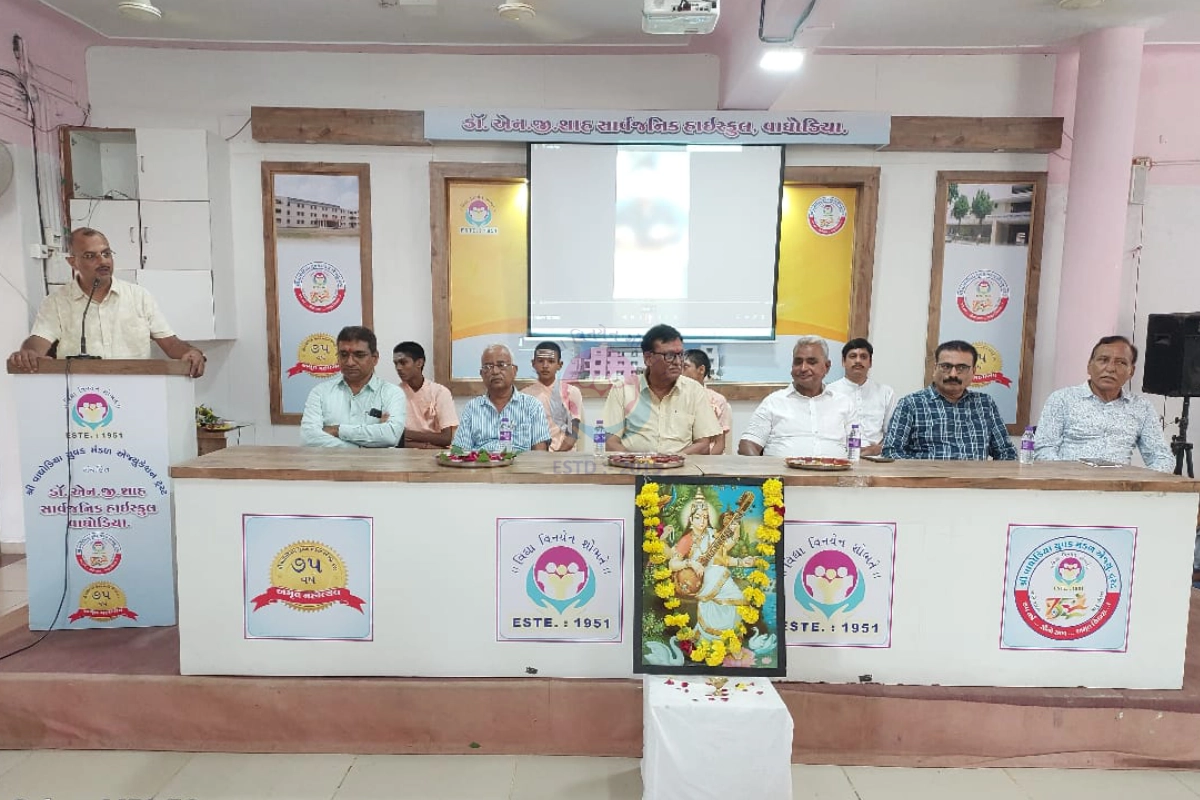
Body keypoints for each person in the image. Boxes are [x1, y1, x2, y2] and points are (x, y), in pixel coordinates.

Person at [6, 227, 206, 377]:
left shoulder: (139, 296)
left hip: (137, 393)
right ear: (73, 262)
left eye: (106, 253)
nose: (103, 261)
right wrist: (28, 353)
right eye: (90, 256)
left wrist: (191, 352)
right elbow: (38, 341)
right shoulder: (57, 302)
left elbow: (171, 344)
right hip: (84, 401)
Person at [1035, 335, 1172, 471]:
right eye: (1103, 360)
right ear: (1089, 366)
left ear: (1131, 372)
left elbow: (1162, 457)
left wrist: (1138, 481)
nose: (1111, 368)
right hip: (1069, 481)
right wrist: (1068, 476)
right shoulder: (1062, 399)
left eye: (1121, 363)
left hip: (1120, 483)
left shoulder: (1141, 407)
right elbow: (1043, 450)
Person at [883, 340, 1016, 461]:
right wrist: (925, 472)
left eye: (961, 368)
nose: (953, 374)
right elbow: (891, 452)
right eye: (946, 366)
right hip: (927, 478)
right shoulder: (911, 404)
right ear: (935, 369)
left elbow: (1006, 452)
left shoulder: (985, 404)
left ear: (974, 371)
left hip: (976, 479)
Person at [603, 324, 721, 454]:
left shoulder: (694, 390)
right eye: (669, 355)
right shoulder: (623, 390)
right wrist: (638, 462)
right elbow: (611, 442)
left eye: (680, 355)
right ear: (648, 358)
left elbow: (703, 444)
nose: (677, 362)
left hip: (682, 464)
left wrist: (672, 460)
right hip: (633, 464)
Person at [738, 336, 857, 458]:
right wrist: (762, 469)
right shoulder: (773, 402)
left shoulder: (844, 403)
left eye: (811, 362)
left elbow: (856, 448)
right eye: (798, 362)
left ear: (827, 367)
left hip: (835, 470)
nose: (803, 368)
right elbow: (748, 444)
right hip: (781, 470)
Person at [667, 493, 755, 642]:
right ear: (690, 520)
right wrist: (691, 563)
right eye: (698, 517)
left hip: (714, 576)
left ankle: (726, 640)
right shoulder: (687, 539)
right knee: (720, 573)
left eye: (705, 517)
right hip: (695, 581)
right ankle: (710, 641)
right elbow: (672, 564)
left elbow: (721, 559)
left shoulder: (712, 535)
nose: (702, 521)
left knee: (721, 576)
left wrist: (741, 560)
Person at [300, 325, 405, 448]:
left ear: (375, 358)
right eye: (344, 355)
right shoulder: (320, 392)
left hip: (374, 463)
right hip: (334, 462)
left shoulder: (392, 393)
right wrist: (365, 449)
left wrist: (338, 430)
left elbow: (390, 436)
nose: (350, 362)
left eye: (359, 355)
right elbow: (309, 438)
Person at [453, 344, 551, 452]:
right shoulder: (472, 408)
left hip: (520, 462)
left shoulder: (532, 406)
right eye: (488, 366)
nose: (495, 371)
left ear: (514, 371)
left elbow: (540, 453)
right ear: (482, 374)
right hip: (482, 462)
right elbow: (459, 451)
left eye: (501, 365)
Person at [827, 337, 895, 457]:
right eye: (853, 356)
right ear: (843, 361)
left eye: (863, 357)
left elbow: (892, 432)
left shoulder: (885, 392)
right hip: (840, 457)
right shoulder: (829, 392)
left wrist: (877, 449)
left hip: (877, 458)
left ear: (870, 362)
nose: (858, 361)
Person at [392, 341, 458, 449]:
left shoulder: (440, 392)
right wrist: (426, 445)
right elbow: (392, 439)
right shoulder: (394, 394)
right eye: (396, 364)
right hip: (405, 454)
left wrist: (407, 434)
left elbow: (446, 438)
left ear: (419, 363)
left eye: (403, 362)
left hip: (436, 455)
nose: (398, 368)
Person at [522, 341, 583, 452]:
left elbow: (573, 433)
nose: (545, 366)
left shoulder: (572, 392)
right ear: (533, 363)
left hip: (565, 455)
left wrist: (556, 456)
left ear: (560, 365)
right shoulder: (524, 396)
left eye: (551, 361)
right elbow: (524, 434)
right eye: (540, 361)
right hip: (536, 456)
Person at [682, 349, 731, 455]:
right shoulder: (676, 397)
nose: (680, 371)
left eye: (685, 366)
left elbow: (719, 443)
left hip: (709, 457)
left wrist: (707, 462)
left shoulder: (717, 400)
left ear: (701, 369)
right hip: (682, 455)